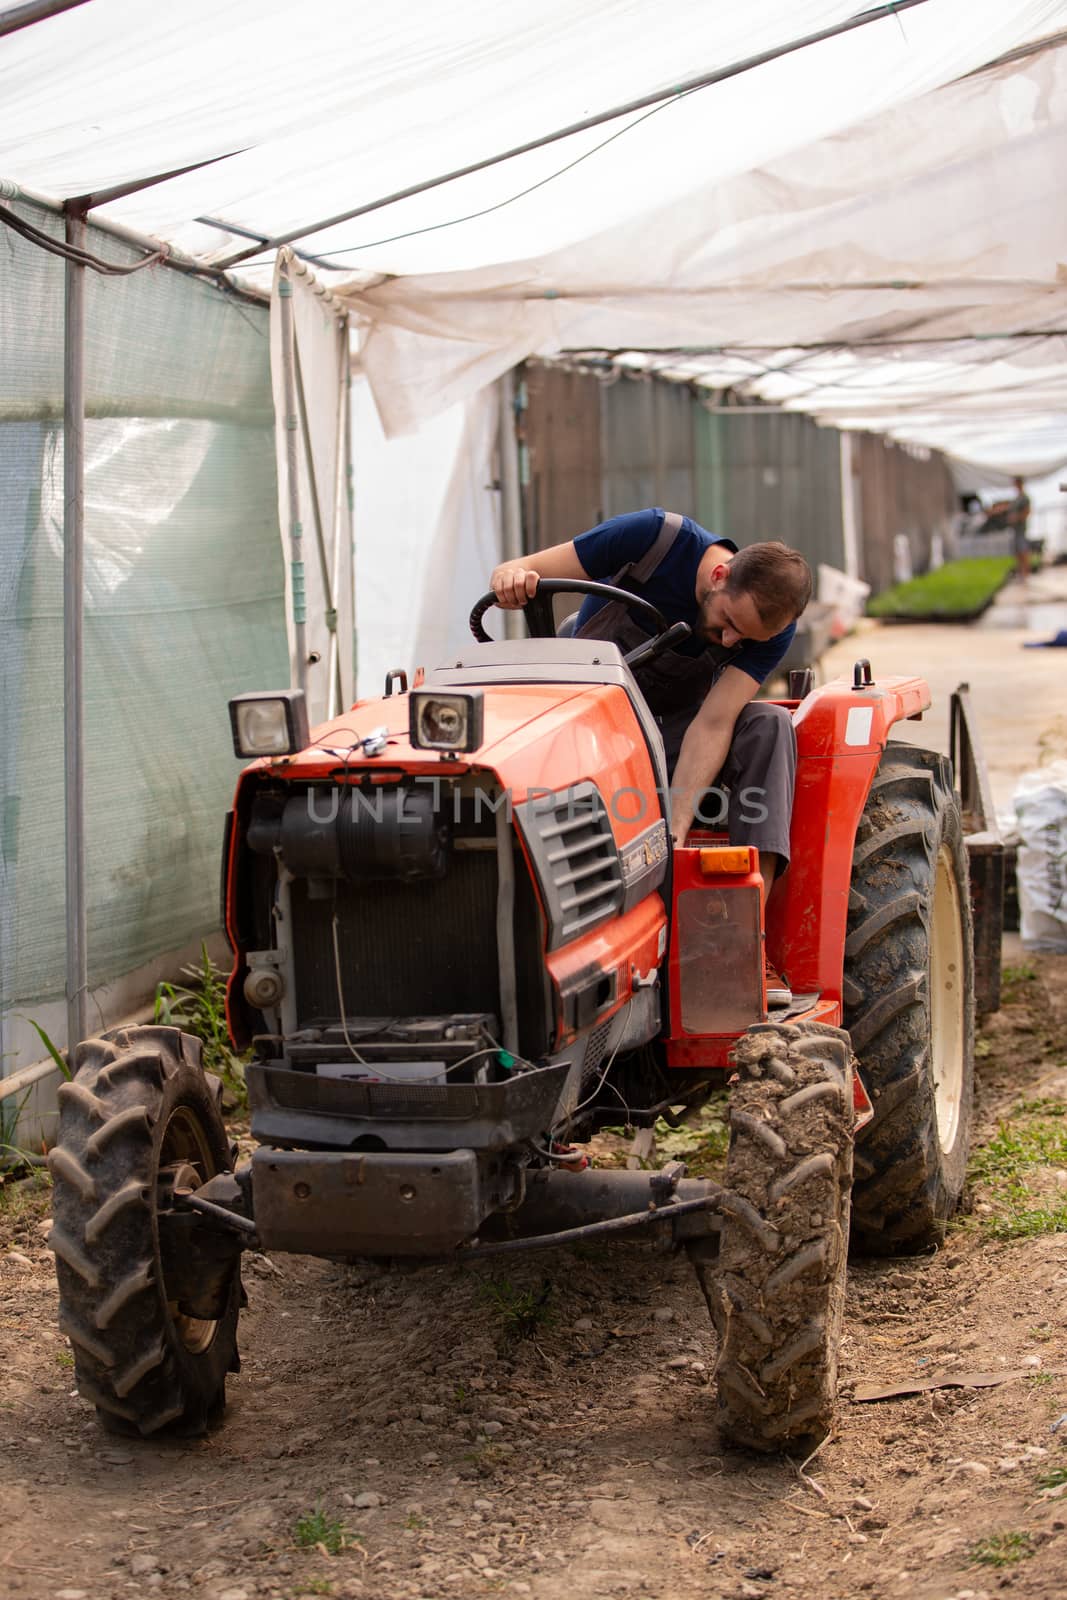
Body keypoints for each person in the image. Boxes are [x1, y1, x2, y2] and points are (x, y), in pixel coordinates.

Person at [490, 507, 813, 1006]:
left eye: (745, 640)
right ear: (720, 574)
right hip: (590, 721)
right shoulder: (655, 539)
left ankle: (747, 943)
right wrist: (512, 577)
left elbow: (714, 720)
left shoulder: (772, 632)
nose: (730, 642)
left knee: (769, 725)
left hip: (676, 732)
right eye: (728, 622)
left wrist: (676, 828)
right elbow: (524, 569)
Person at [1006, 476, 1032, 581]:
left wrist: (1016, 517)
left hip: (1021, 528)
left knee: (1023, 551)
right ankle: (1021, 572)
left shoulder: (1025, 498)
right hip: (1016, 529)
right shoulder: (1017, 498)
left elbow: (1027, 512)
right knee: (1017, 552)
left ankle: (1026, 573)